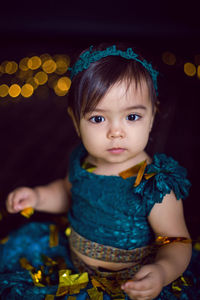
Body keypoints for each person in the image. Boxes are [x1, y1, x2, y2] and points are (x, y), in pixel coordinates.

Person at [2, 43, 197, 300]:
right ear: (75, 121)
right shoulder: (82, 161)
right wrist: (37, 197)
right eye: (97, 119)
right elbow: (68, 191)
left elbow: (177, 240)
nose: (116, 132)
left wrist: (161, 271)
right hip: (72, 275)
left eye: (132, 117)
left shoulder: (156, 182)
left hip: (131, 285)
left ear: (152, 116)